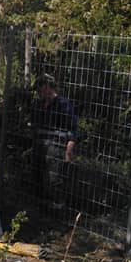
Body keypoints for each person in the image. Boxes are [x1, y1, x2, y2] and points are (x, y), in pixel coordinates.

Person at [29, 74, 78, 211]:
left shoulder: (63, 105)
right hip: (39, 145)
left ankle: (59, 207)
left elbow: (73, 128)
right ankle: (39, 206)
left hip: (56, 146)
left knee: (54, 178)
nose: (38, 92)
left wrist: (69, 149)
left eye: (40, 88)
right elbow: (34, 125)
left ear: (47, 86)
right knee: (36, 175)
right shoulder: (38, 105)